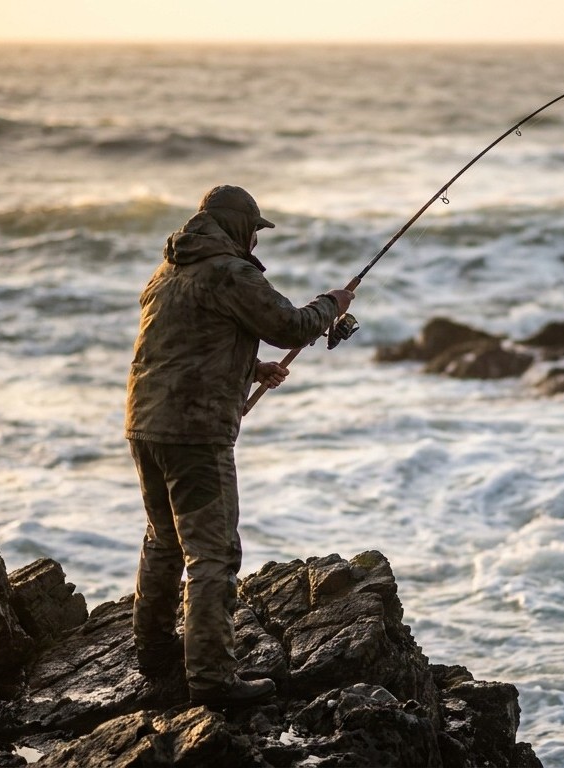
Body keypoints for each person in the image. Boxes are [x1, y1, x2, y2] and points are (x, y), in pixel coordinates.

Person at [124, 185, 353, 707]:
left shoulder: (167, 273)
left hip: (145, 422)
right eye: (255, 228)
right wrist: (331, 304)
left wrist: (248, 369)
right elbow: (289, 325)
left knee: (162, 539)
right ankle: (211, 681)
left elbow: (181, 344)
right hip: (196, 431)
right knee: (212, 554)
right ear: (240, 227)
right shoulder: (230, 272)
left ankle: (155, 654)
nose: (255, 237)